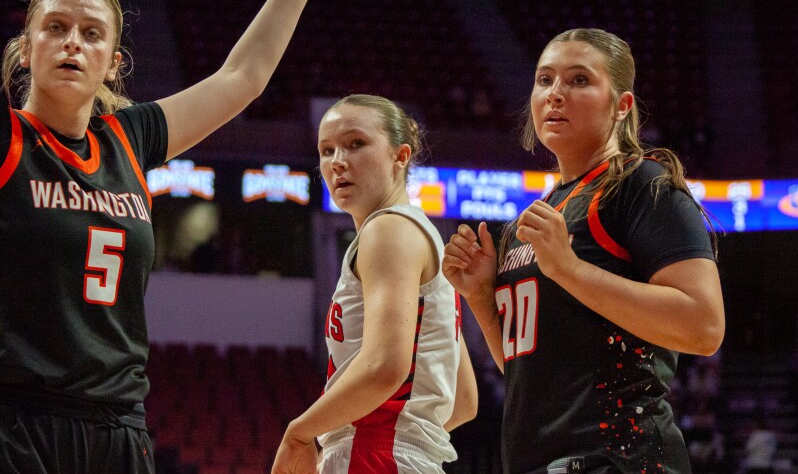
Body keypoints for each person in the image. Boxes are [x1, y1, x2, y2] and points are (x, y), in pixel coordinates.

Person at [0, 0, 333, 472]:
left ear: (113, 62)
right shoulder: (10, 138)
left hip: (120, 426)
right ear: (26, 47)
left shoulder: (129, 140)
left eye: (91, 34)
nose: (72, 44)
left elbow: (242, 78)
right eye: (55, 29)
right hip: (19, 422)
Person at [443, 28, 725, 474]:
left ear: (621, 106)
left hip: (621, 460)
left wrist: (569, 270)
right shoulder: (528, 222)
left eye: (578, 80)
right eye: (545, 80)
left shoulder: (644, 185)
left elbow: (704, 326)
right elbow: (528, 372)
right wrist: (479, 297)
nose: (556, 93)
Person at [271, 94, 478, 474]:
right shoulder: (422, 236)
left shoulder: (388, 229)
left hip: (373, 455)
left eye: (356, 144)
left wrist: (299, 433)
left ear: (400, 157)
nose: (338, 162)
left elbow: (385, 366)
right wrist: (407, 438)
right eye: (326, 150)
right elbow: (463, 400)